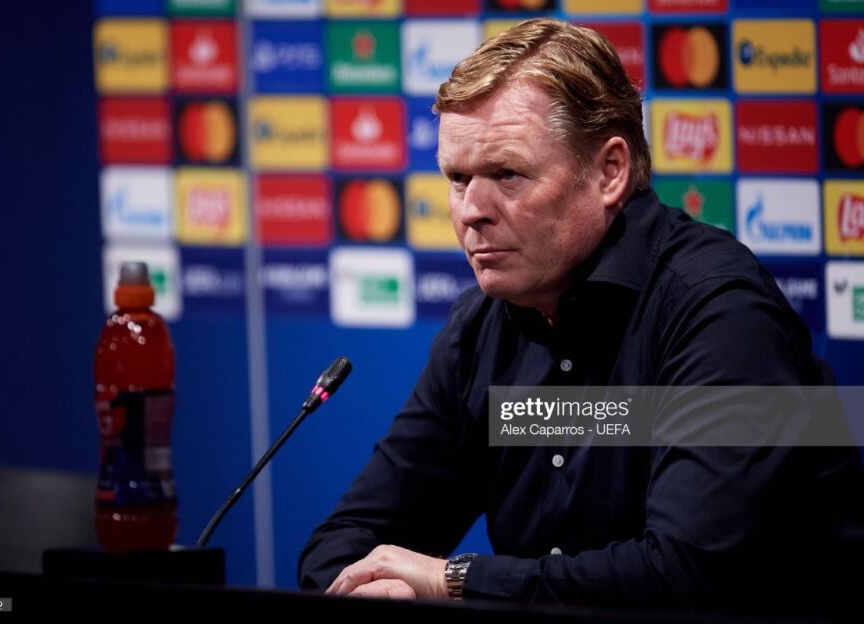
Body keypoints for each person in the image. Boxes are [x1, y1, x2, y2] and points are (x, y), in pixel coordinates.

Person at [298, 18, 864, 615]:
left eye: (507, 175)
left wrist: (454, 580)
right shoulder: (480, 328)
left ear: (609, 172)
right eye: (458, 178)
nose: (471, 211)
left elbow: (686, 574)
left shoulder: (718, 311)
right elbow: (344, 543)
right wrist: (377, 585)